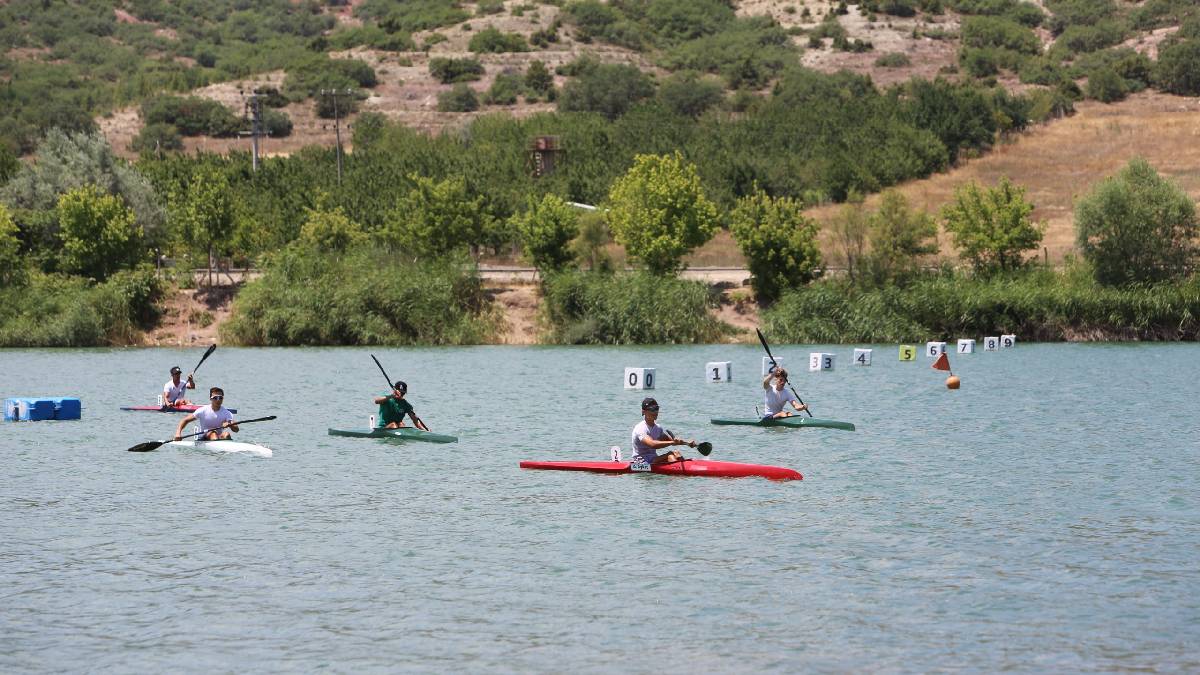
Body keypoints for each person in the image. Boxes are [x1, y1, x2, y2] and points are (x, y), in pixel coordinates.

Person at [631, 397, 696, 467]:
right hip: (640, 462)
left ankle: (686, 471)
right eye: (652, 409)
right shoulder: (640, 428)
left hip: (653, 459)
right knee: (670, 455)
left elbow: (672, 441)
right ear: (643, 412)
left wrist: (687, 443)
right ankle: (681, 473)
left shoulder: (658, 428)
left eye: (656, 409)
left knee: (676, 453)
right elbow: (652, 444)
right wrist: (672, 442)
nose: (655, 412)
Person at [174, 387, 238, 441]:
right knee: (213, 433)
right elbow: (185, 420)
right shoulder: (203, 410)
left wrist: (230, 424)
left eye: (220, 398)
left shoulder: (226, 413)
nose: (218, 400)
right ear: (210, 399)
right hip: (203, 437)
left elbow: (236, 430)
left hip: (218, 436)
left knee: (227, 434)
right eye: (215, 398)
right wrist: (178, 433)